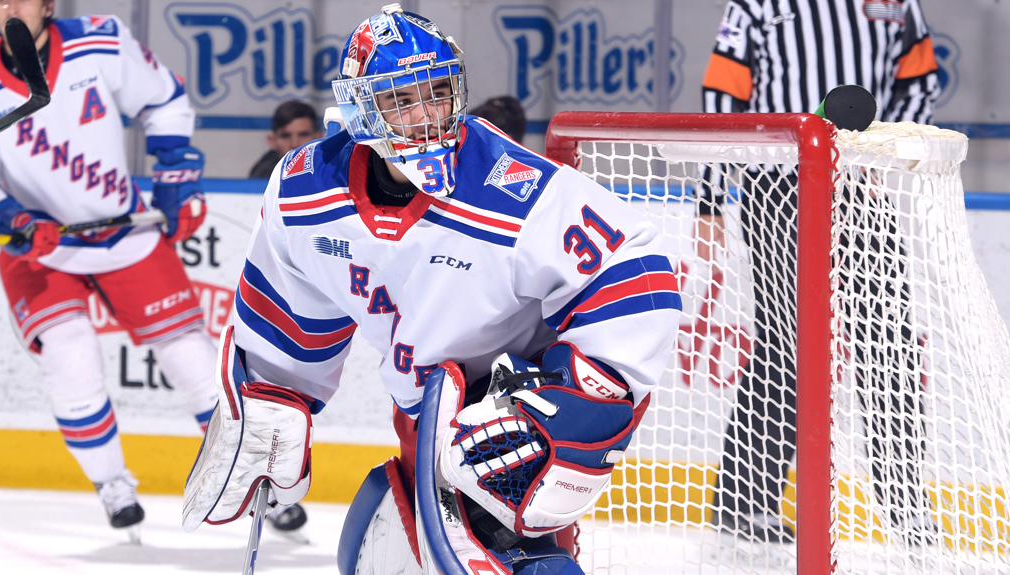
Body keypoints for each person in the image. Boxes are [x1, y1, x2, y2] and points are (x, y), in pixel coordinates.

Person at [181, 4, 681, 574]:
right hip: (419, 422)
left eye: (438, 92)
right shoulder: (305, 191)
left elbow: (634, 269)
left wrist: (578, 405)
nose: (425, 115)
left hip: (505, 431)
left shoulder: (515, 189)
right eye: (401, 99)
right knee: (378, 552)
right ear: (361, 107)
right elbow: (290, 310)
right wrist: (275, 396)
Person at [0, 0, 307, 541]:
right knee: (70, 357)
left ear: (48, 3)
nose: (9, 6)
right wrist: (7, 215)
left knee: (193, 361)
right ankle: (112, 483)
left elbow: (163, 97)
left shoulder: (97, 42)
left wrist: (175, 166)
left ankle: (251, 478)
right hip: (40, 247)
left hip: (123, 233)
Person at [697, 0, 941, 544]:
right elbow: (723, 93)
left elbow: (921, 81)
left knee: (890, 342)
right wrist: (711, 197)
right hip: (776, 185)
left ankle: (905, 507)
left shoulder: (898, 3)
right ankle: (744, 503)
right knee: (786, 344)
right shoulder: (758, 4)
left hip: (861, 186)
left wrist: (883, 151)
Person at [248, 100, 323, 179]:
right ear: (272, 141)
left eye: (303, 135)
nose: (294, 144)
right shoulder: (261, 176)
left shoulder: (331, 169)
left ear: (319, 138)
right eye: (285, 136)